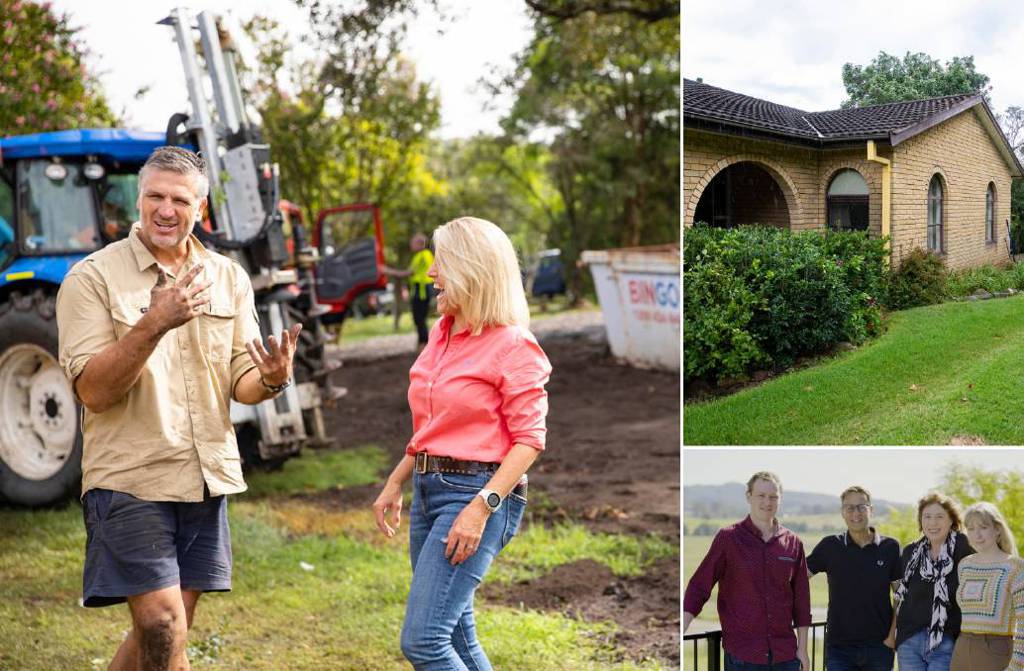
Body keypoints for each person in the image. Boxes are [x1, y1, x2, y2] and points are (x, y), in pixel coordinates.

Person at [56, 146, 302, 671]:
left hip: (204, 475)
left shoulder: (228, 277)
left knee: (165, 634)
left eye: (179, 200)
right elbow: (93, 393)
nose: (166, 210)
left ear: (201, 209)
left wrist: (273, 379)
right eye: (155, 197)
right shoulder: (91, 278)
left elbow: (242, 379)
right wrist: (152, 324)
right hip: (129, 477)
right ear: (137, 201)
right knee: (162, 623)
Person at [372, 216, 552, 670]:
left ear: (473, 269)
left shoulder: (514, 345)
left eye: (442, 262)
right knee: (457, 633)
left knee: (425, 642)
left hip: (478, 494)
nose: (431, 273)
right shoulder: (443, 332)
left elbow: (529, 440)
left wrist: (481, 507)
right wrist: (396, 482)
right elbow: (432, 426)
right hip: (429, 491)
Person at [683, 471, 812, 671]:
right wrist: (680, 627)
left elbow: (802, 600)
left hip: (785, 657)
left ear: (780, 500)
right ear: (748, 496)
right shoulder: (729, 539)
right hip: (743, 657)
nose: (767, 502)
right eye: (761, 495)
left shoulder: (793, 543)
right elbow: (700, 585)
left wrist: (802, 650)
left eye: (773, 497)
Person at [808, 486, 902, 671]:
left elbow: (901, 595)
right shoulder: (830, 546)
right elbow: (797, 578)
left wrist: (891, 638)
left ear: (871, 510)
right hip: (838, 649)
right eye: (849, 508)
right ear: (843, 512)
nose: (855, 513)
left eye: (861, 506)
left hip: (880, 647)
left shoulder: (890, 547)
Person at [892, 492, 975, 671]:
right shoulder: (911, 552)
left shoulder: (964, 546)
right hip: (910, 641)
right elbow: (900, 596)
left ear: (951, 520)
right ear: (921, 521)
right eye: (927, 517)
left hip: (947, 640)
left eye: (939, 517)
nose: (932, 523)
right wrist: (895, 636)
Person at [950, 502, 1024, 671]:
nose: (977, 535)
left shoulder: (1016, 567)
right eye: (971, 529)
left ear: (997, 529)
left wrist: (1017, 665)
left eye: (983, 527)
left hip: (997, 651)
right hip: (962, 648)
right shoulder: (964, 565)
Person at [384, 232, 435, 348]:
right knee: (418, 318)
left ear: (419, 243)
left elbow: (408, 272)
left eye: (412, 242)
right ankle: (422, 343)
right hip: (419, 290)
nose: (410, 245)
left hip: (422, 291)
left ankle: (424, 345)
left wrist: (387, 271)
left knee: (419, 318)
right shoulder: (419, 256)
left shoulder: (423, 255)